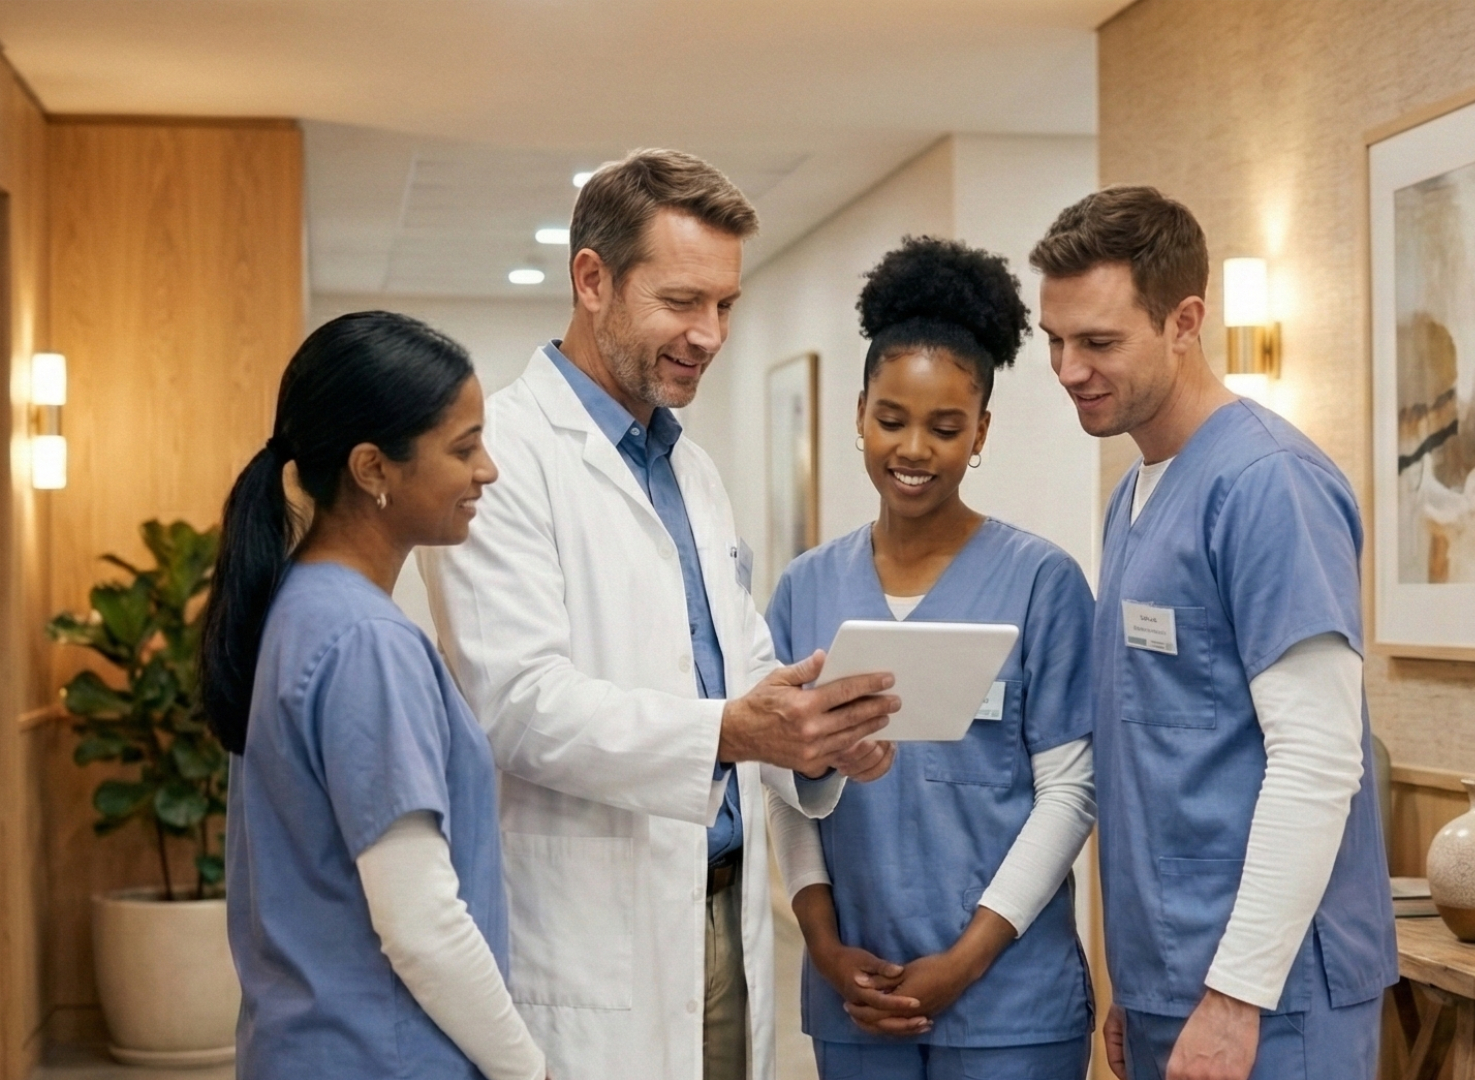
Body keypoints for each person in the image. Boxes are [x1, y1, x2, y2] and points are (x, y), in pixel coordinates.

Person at [417, 149, 899, 1080]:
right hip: (590, 933)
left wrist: (816, 735)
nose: (711, 334)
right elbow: (514, 704)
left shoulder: (691, 470)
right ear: (591, 280)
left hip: (718, 912)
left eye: (725, 306)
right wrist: (732, 730)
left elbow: (746, 666)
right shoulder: (504, 456)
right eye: (683, 302)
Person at [1030, 187, 1397, 1080]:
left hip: (1272, 998)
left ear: (1185, 320)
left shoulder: (1269, 485)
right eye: (1056, 340)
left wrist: (1234, 998)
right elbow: (1154, 754)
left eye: (1100, 342)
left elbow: (1317, 758)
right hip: (1173, 980)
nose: (1070, 368)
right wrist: (1136, 982)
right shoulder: (1136, 494)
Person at [765, 237, 1098, 1080]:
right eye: (892, 420)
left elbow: (1070, 791)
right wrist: (824, 944)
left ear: (980, 431)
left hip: (1008, 1003)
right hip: (856, 990)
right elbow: (784, 790)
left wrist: (969, 960)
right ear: (858, 416)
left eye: (945, 427)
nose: (914, 449)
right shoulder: (806, 589)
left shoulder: (1040, 583)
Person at [202, 312, 546, 1080]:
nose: (487, 470)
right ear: (373, 468)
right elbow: (420, 922)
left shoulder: (298, 606)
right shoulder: (365, 643)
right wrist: (529, 1069)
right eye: (464, 448)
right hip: (381, 1056)